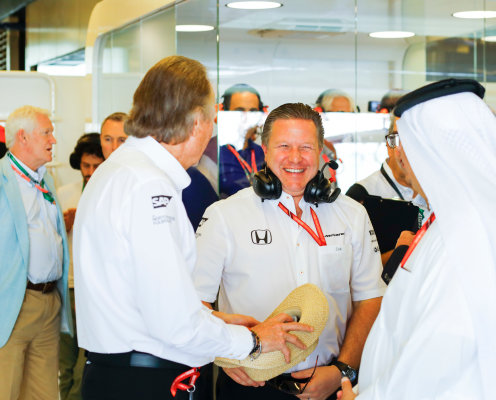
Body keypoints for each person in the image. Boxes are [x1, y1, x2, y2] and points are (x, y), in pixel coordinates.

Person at [73, 56, 312, 400]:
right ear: (197, 121)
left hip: (121, 373)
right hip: (147, 382)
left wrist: (215, 322)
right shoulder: (149, 187)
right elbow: (173, 324)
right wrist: (256, 341)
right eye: (213, 121)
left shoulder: (121, 171)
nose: (211, 131)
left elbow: (145, 296)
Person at [337, 79, 496, 400]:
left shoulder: (475, 229)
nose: (399, 154)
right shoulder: (455, 219)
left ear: (431, 147)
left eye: (401, 140)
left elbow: (443, 349)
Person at [195, 102, 386, 400]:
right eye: (284, 145)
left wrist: (342, 371)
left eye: (306, 147)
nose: (295, 158)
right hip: (249, 384)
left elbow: (370, 299)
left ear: (321, 151)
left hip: (329, 384)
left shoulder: (352, 215)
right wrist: (225, 352)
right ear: (265, 150)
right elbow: (194, 305)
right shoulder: (224, 216)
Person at [0, 105, 73, 400]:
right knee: (6, 389)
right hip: (13, 303)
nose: (53, 140)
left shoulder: (45, 180)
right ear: (23, 137)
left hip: (49, 301)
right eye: (46, 132)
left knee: (44, 393)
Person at [346, 113, 428, 268]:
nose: (404, 149)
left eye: (412, 139)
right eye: (397, 139)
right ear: (388, 145)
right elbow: (352, 268)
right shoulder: (361, 195)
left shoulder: (433, 192)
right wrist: (406, 249)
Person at [57, 133, 104, 400]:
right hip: (67, 287)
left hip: (92, 290)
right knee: (65, 362)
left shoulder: (107, 193)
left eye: (96, 166)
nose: (90, 172)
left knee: (83, 362)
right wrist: (64, 226)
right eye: (86, 166)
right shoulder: (65, 194)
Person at [218, 83, 267, 197]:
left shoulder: (262, 152)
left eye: (253, 111)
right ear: (225, 114)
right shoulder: (212, 152)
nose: (247, 118)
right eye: (239, 111)